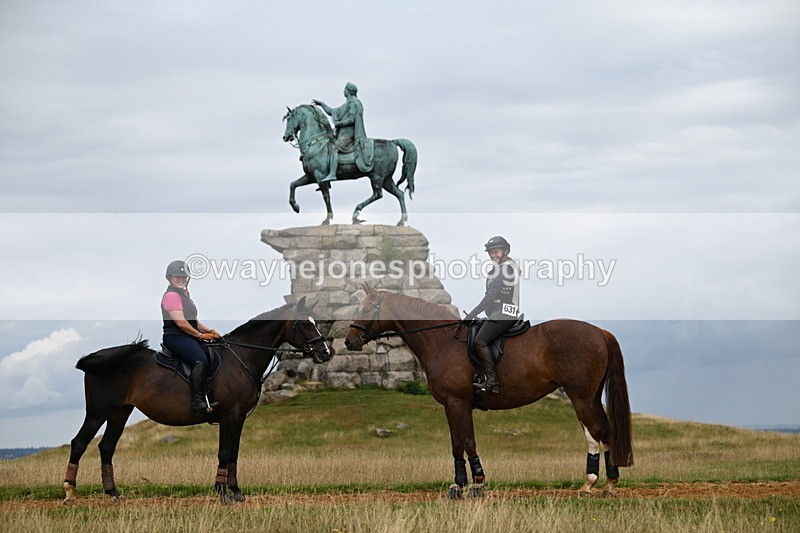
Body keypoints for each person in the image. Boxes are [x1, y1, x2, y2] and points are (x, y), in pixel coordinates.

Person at [161, 260, 222, 413]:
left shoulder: (185, 295)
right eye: (177, 276)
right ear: (169, 278)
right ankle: (197, 401)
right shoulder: (171, 296)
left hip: (188, 336)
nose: (181, 279)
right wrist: (201, 336)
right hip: (175, 337)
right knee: (200, 361)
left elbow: (194, 322)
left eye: (183, 276)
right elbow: (181, 323)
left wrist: (212, 332)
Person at [464, 236, 521, 394]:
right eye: (490, 253)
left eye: (496, 252)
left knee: (480, 341)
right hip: (498, 312)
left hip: (504, 313)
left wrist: (472, 314)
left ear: (504, 251)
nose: (493, 255)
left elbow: (490, 297)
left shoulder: (505, 268)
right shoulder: (500, 268)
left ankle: (491, 381)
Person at [311, 82, 374, 182]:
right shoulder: (346, 105)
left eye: (345, 89)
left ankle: (332, 174)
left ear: (349, 91)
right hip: (343, 134)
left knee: (333, 147)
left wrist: (339, 123)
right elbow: (332, 111)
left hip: (349, 135)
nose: (343, 91)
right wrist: (322, 104)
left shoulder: (354, 103)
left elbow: (352, 119)